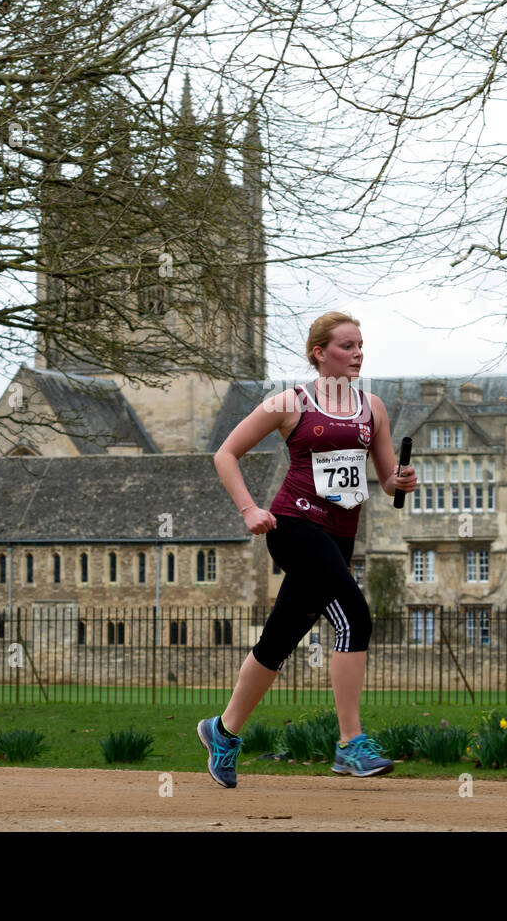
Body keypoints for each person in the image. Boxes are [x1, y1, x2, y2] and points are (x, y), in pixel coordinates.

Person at [197, 311, 417, 787]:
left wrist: (399, 480)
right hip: (293, 526)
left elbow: (384, 479)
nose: (358, 353)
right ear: (320, 353)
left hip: (339, 536)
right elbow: (225, 453)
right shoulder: (288, 403)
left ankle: (223, 731)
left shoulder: (372, 407)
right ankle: (349, 744)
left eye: (361, 345)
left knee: (280, 639)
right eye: (347, 346)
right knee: (355, 616)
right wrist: (248, 509)